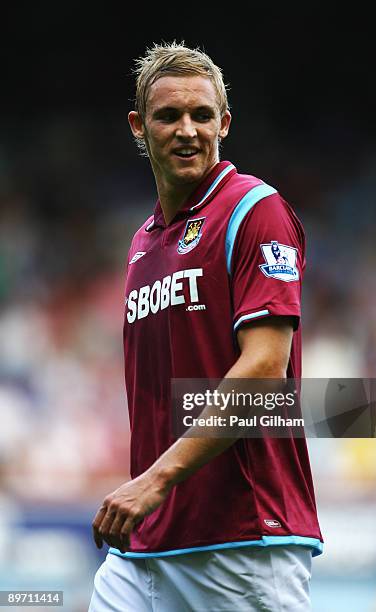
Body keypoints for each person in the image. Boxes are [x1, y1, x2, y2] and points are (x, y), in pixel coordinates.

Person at [89, 41, 322, 611]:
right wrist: (154, 490)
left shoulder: (253, 208)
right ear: (139, 127)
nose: (187, 130)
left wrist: (155, 480)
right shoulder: (143, 244)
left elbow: (266, 370)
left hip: (241, 544)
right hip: (146, 547)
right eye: (169, 116)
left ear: (225, 123)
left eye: (202, 115)